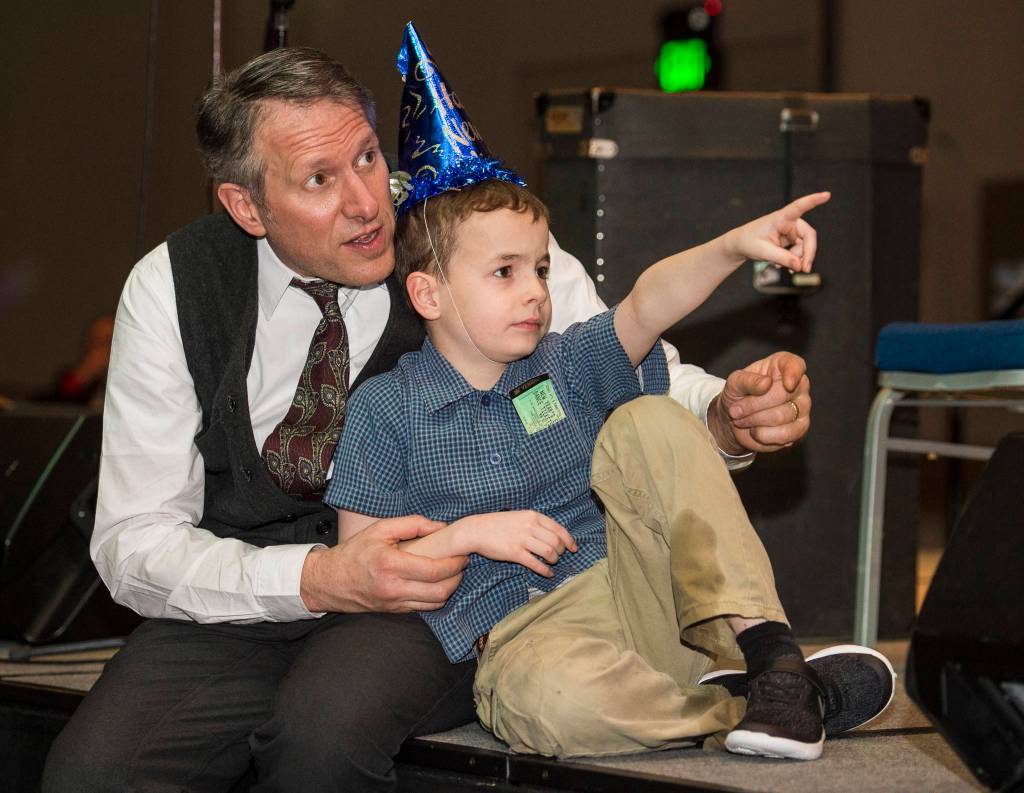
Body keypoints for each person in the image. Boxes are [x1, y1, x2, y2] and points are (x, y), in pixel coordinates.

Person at [45, 42, 815, 793]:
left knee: (321, 736)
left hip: (440, 598)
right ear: (247, 204)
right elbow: (133, 538)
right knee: (93, 771)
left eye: (369, 158)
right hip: (235, 597)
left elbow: (611, 352)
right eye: (318, 178)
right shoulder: (174, 287)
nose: (365, 201)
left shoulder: (458, 234)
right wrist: (315, 577)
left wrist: (724, 415)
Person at [323, 26, 893, 762]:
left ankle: (774, 656)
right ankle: (753, 703)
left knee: (650, 420)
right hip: (526, 636)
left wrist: (731, 246)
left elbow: (647, 304)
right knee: (544, 705)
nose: (534, 292)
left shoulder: (565, 363)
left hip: (633, 589)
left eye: (537, 268)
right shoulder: (384, 408)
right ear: (427, 292)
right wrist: (469, 534)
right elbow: (361, 558)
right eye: (504, 273)